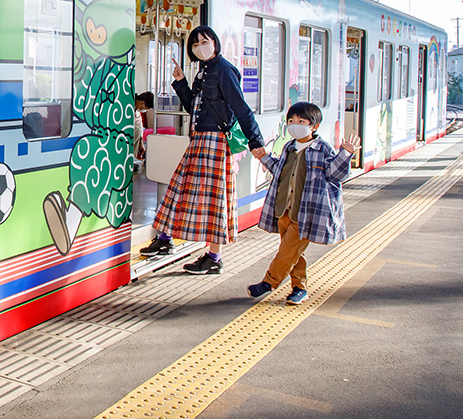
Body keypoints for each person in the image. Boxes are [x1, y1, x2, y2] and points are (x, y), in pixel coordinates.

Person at [139, 25, 266, 275]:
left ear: (215, 42)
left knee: (213, 201)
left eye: (204, 41)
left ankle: (214, 257)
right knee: (181, 189)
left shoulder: (225, 71)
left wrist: (256, 141)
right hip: (199, 140)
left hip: (215, 142)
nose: (200, 47)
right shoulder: (202, 72)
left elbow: (241, 108)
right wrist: (181, 83)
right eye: (195, 45)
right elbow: (191, 108)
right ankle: (165, 239)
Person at [247, 102, 361, 305]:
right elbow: (279, 171)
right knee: (292, 251)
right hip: (283, 209)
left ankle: (269, 282)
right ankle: (299, 288)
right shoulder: (289, 148)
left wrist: (345, 153)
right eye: (291, 121)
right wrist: (264, 157)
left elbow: (336, 175)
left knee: (288, 250)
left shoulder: (322, 148)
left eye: (301, 121)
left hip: (306, 212)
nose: (294, 125)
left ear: (314, 126)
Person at [134, 91, 154, 158]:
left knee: (138, 128)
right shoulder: (129, 105)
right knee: (136, 129)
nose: (145, 111)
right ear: (142, 103)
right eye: (146, 109)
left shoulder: (136, 112)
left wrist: (141, 143)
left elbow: (139, 124)